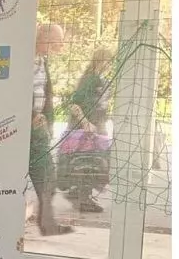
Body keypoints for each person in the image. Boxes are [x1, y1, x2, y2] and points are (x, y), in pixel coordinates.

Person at [29, 23, 72, 235]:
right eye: (57, 41)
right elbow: (11, 89)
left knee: (47, 176)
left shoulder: (42, 61)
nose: (59, 47)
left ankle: (48, 225)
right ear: (43, 37)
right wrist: (29, 116)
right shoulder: (22, 56)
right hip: (20, 128)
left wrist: (49, 122)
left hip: (39, 129)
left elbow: (47, 94)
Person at [62, 47, 115, 214]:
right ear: (100, 60)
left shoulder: (100, 78)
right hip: (87, 129)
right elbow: (74, 103)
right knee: (90, 162)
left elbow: (101, 104)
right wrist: (85, 123)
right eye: (108, 61)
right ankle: (83, 197)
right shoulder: (91, 79)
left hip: (97, 126)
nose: (110, 64)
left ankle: (78, 192)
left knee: (93, 161)